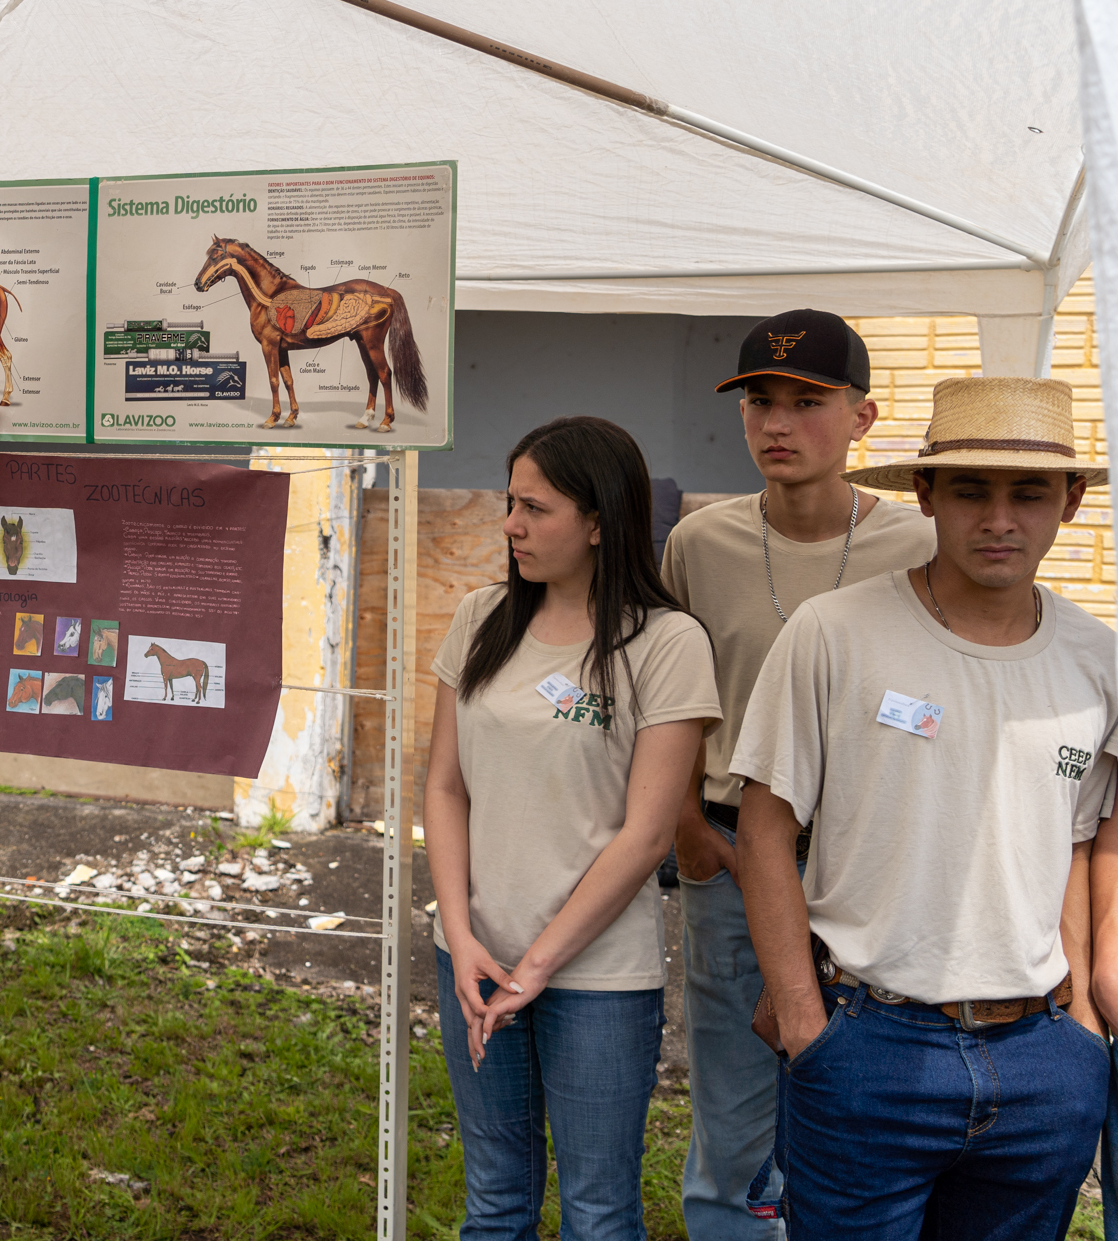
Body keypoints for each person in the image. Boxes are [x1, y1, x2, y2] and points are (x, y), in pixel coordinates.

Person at [734, 376, 1115, 1238]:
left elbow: (1077, 841)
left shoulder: (1098, 661)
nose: (1000, 519)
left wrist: (1082, 1033)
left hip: (1043, 1061)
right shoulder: (834, 632)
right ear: (928, 493)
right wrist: (802, 1016)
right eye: (971, 490)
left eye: (1029, 494)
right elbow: (764, 828)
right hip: (868, 1044)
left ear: (1070, 500)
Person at [658, 309, 934, 1237]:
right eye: (759, 402)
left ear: (863, 416)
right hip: (735, 853)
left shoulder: (919, 546)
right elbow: (671, 701)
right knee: (734, 1104)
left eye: (807, 401)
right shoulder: (700, 543)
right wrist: (691, 836)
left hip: (874, 858)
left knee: (870, 1089)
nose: (777, 424)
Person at [425, 415, 720, 1240]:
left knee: (597, 1213)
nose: (510, 525)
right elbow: (444, 786)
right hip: (474, 960)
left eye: (535, 508)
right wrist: (461, 938)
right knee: (494, 1203)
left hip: (598, 980)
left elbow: (646, 834)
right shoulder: (481, 616)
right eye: (509, 502)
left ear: (598, 521)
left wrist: (537, 966)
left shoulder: (665, 643)